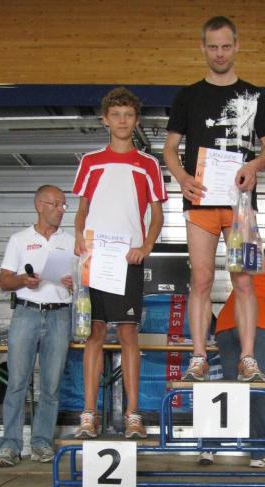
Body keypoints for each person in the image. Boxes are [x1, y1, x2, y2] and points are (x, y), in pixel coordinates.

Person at [163, 15, 265, 383]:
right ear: (203, 48)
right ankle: (198, 357)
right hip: (201, 202)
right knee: (201, 280)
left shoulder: (254, 95)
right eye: (213, 47)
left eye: (226, 46)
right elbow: (170, 148)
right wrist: (182, 178)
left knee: (244, 281)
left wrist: (255, 165)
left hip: (240, 204)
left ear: (236, 46)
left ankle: (248, 359)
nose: (220, 53)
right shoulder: (187, 96)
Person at [73, 86, 167, 440]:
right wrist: (78, 236)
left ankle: (132, 415)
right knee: (94, 333)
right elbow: (82, 209)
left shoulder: (148, 164)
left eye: (128, 115)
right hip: (95, 257)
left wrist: (145, 246)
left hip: (128, 259)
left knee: (129, 333)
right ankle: (88, 415)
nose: (122, 121)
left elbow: (157, 214)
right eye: (116, 115)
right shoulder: (90, 161)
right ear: (105, 120)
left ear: (136, 120)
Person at [199, 229, 265, 468]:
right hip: (256, 324)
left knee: (229, 388)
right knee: (258, 389)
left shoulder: (255, 264)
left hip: (226, 324)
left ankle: (208, 448)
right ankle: (258, 453)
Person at [0, 185, 74, 467]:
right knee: (17, 382)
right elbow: (3, 281)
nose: (61, 210)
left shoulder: (71, 241)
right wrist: (22, 280)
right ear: (39, 205)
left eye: (63, 205)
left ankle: (41, 443)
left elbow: (84, 280)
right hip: (26, 313)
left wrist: (75, 281)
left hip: (59, 315)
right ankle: (10, 446)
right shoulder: (19, 240)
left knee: (51, 386)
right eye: (55, 204)